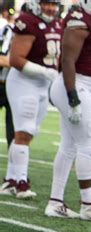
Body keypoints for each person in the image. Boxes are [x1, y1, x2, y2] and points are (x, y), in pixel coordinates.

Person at [44, 0, 91, 221]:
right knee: (88, 144)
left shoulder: (89, 19)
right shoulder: (79, 20)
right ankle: (87, 204)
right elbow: (67, 60)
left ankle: (55, 202)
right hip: (74, 85)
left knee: (69, 146)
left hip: (79, 85)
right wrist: (73, 96)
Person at [0, 0, 61, 198]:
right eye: (46, 3)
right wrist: (45, 71)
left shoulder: (56, 23)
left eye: (54, 4)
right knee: (23, 132)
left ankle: (10, 179)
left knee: (29, 133)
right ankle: (21, 182)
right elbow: (16, 59)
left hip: (42, 84)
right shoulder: (26, 21)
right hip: (24, 82)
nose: (50, 8)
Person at [0, 7, 14, 149]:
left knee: (15, 133)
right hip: (3, 82)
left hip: (14, 85)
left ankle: (15, 169)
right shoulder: (8, 29)